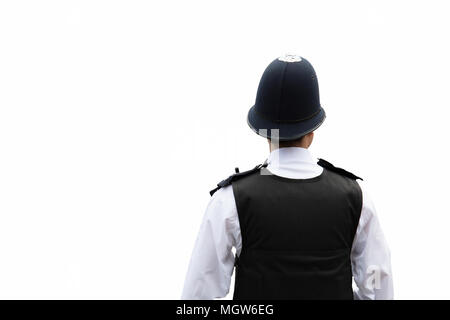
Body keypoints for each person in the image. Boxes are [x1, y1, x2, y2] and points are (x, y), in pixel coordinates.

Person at [182, 55, 393, 300]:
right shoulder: (357, 197)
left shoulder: (229, 200)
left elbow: (198, 295)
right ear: (312, 131)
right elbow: (378, 282)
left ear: (263, 132)